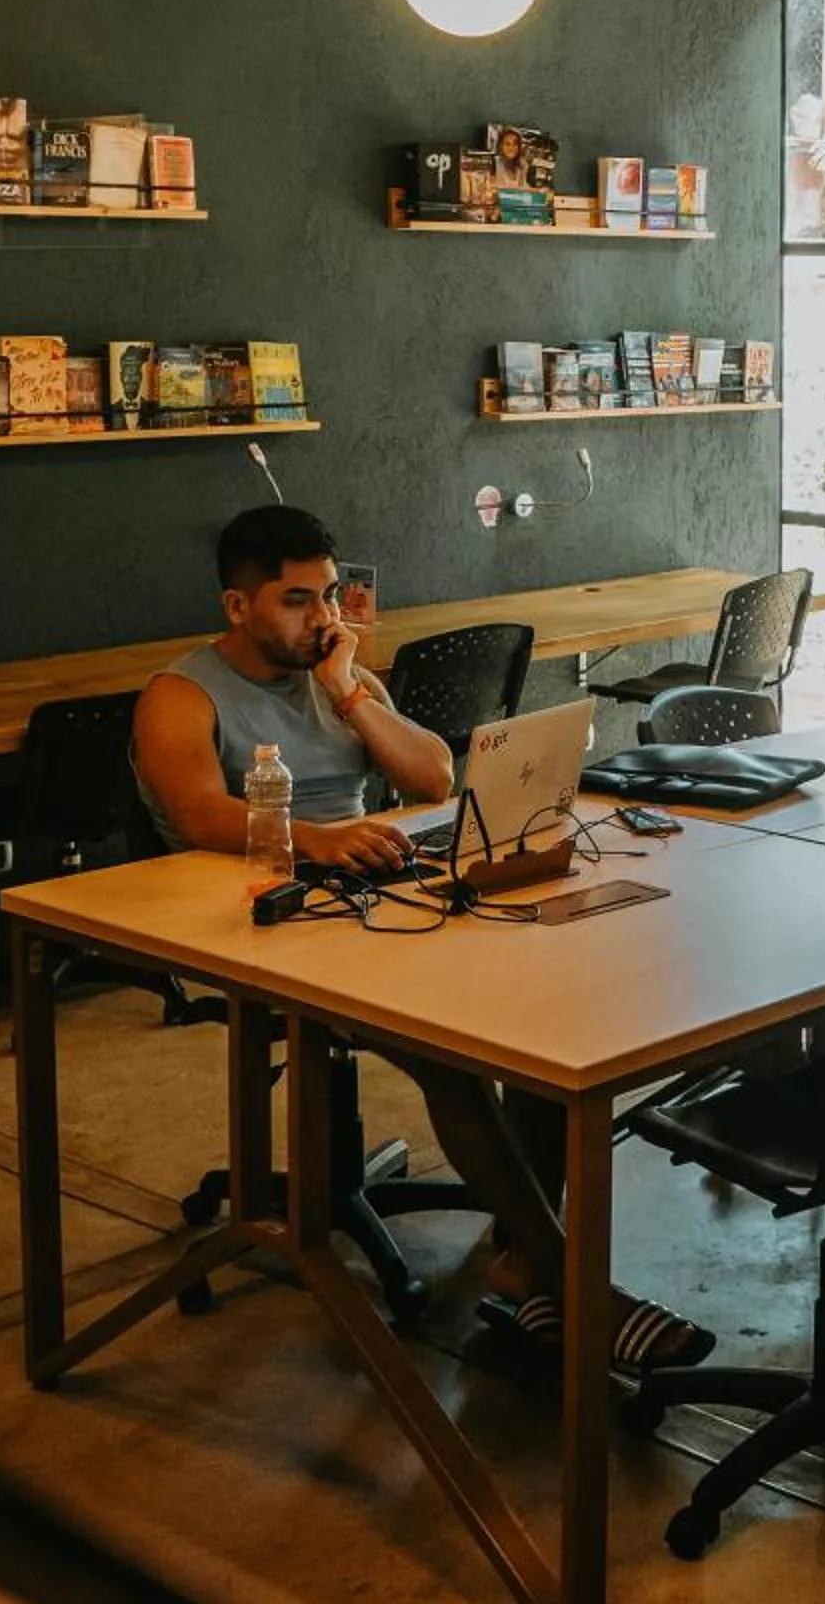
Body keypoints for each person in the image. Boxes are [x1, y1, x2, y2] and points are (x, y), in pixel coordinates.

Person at [132, 505, 713, 1373]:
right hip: (254, 917)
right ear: (237, 605)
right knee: (450, 1053)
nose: (321, 616)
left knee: (537, 1011)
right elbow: (193, 812)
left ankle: (523, 1260)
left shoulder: (341, 678)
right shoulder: (181, 694)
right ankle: (572, 1283)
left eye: (328, 595)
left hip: (372, 890)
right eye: (296, 600)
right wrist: (313, 838)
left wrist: (347, 692)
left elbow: (433, 777)